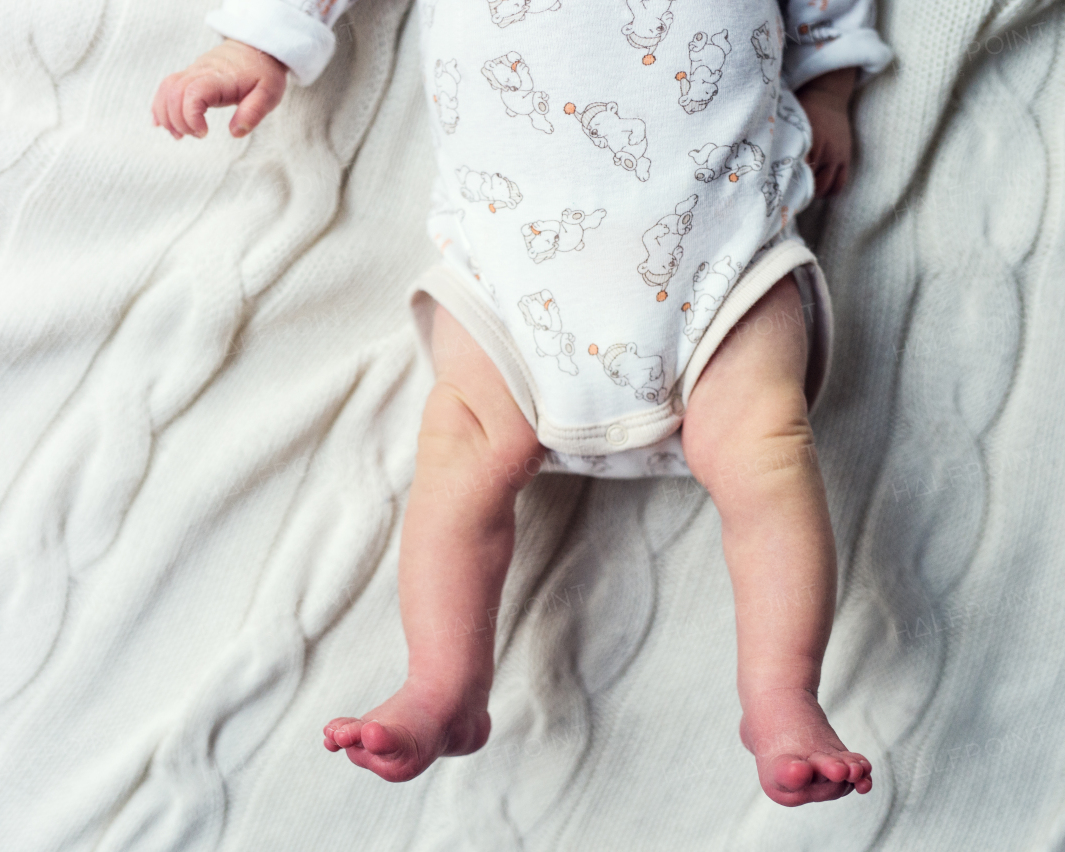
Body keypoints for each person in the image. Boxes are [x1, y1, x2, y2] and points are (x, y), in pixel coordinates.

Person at [153, 0, 892, 806]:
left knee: (765, 451)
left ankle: (784, 695)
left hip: (717, 255)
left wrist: (829, 87)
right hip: (511, 268)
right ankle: (443, 685)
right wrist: (257, 43)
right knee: (461, 451)